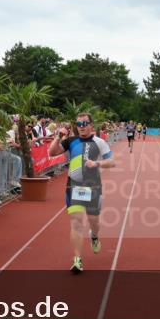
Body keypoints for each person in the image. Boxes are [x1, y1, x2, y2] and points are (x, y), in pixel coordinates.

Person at [48, 112, 114, 273]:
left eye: (85, 124)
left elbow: (111, 162)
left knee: (94, 221)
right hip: (74, 186)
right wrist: (58, 137)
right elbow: (51, 153)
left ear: (92, 125)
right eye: (79, 124)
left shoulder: (100, 142)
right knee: (76, 222)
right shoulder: (70, 141)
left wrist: (97, 163)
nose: (82, 127)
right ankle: (77, 259)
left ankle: (94, 235)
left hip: (93, 187)